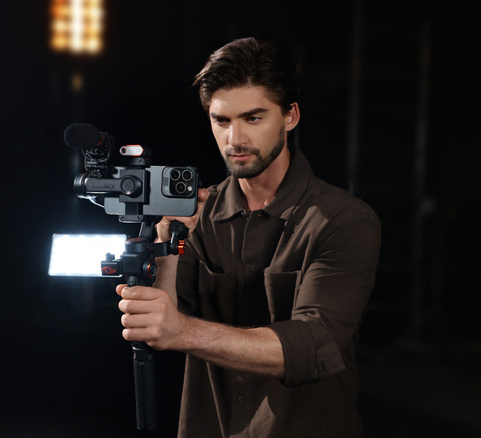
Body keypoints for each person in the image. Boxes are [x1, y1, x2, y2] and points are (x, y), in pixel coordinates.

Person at [115, 37, 381, 437]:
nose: (234, 139)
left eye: (253, 118)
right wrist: (168, 242)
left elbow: (310, 346)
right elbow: (160, 328)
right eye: (221, 120)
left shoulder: (343, 220)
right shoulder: (196, 217)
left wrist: (183, 331)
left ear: (290, 116)